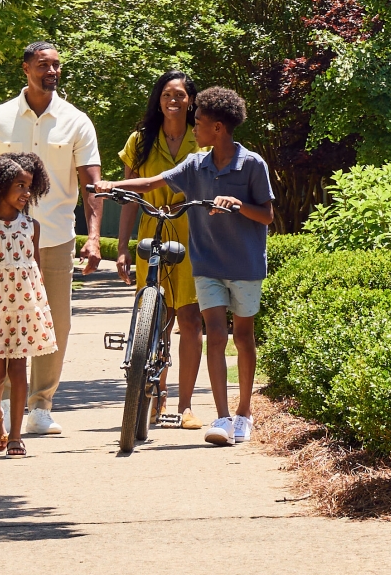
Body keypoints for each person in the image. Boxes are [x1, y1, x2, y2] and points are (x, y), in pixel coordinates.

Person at [94, 86, 273, 446]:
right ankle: (222, 418)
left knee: (242, 337)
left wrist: (236, 204)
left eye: (200, 123)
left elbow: (266, 216)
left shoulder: (252, 163)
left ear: (218, 128)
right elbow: (152, 182)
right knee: (217, 337)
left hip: (245, 264)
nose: (194, 128)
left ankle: (244, 413)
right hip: (205, 265)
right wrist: (111, 184)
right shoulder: (196, 165)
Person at [0, 42, 103, 438]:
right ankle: (8, 403)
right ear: (25, 68)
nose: (52, 71)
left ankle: (41, 405)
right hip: (1, 239)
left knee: (54, 324)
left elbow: (92, 185)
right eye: (44, 64)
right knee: (6, 321)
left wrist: (94, 236)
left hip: (56, 237)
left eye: (57, 65)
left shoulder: (76, 121)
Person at [113, 70, 204, 425]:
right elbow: (130, 197)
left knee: (191, 319)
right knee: (156, 320)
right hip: (153, 230)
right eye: (167, 94)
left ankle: (186, 406)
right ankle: (156, 396)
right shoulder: (139, 141)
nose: (173, 101)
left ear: (191, 100)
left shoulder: (204, 139)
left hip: (194, 234)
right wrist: (122, 247)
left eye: (180, 95)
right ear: (159, 99)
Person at [0, 153, 59, 458]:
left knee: (19, 370)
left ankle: (16, 435)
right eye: (20, 185)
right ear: (1, 186)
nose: (26, 193)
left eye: (29, 187)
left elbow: (36, 269)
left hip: (25, 308)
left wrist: (41, 310)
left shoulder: (32, 225)